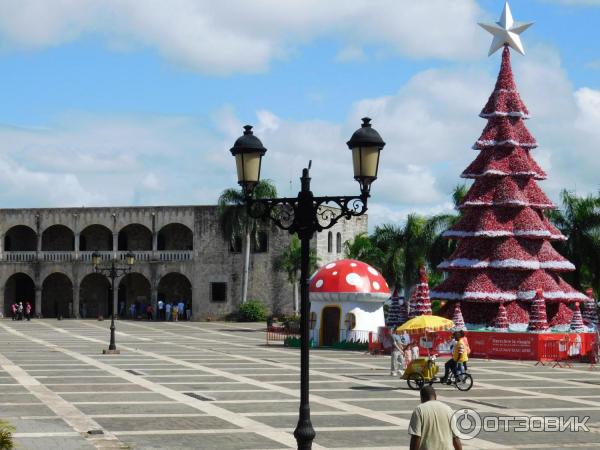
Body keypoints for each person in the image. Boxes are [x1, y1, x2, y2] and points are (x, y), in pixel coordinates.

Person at [408, 386, 462, 450]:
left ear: (422, 398)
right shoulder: (448, 409)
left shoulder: (419, 410)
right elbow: (455, 438)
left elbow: (416, 437)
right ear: (435, 396)